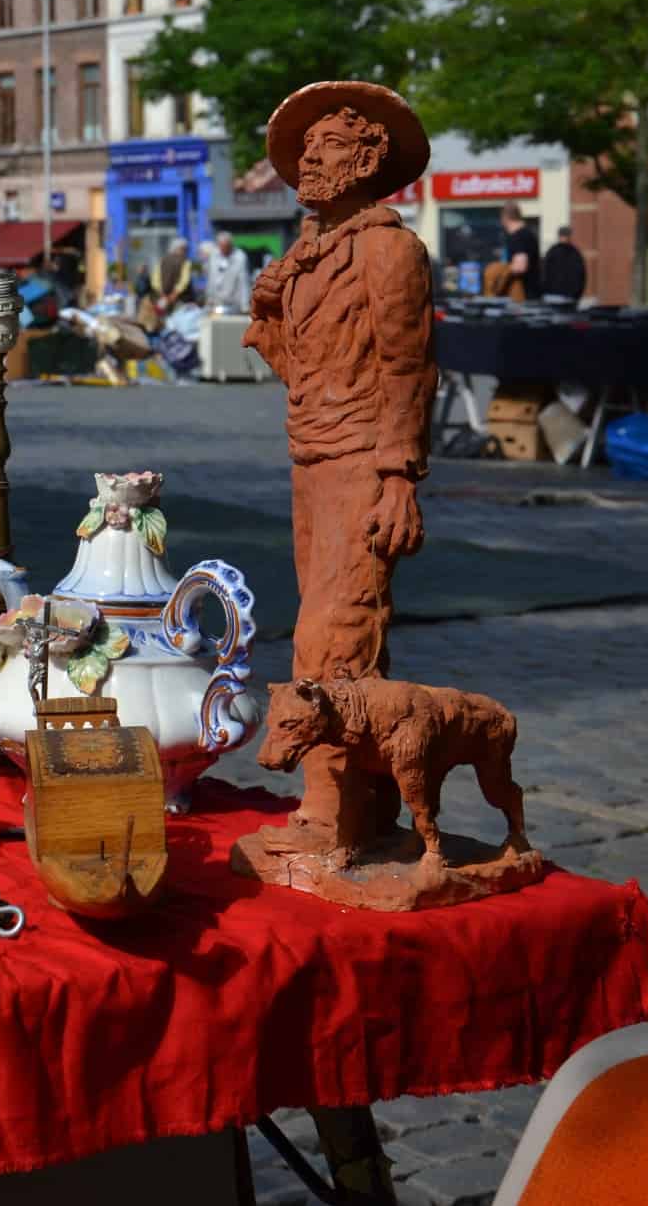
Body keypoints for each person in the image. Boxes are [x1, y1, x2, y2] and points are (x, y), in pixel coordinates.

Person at [243, 80, 434, 856]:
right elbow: (302, 373)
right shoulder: (306, 259)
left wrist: (399, 479)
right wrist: (268, 317)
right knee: (333, 626)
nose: (309, 159)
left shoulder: (389, 249)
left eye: (328, 146)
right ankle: (370, 795)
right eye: (306, 148)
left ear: (367, 159)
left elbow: (409, 367)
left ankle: (331, 811)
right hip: (312, 459)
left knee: (334, 632)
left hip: (362, 460)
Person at [500, 205, 540, 301]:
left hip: (522, 297)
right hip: (530, 293)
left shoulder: (519, 237)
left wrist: (501, 273)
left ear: (505, 218)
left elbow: (520, 266)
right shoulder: (528, 234)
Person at [205, 231, 250, 313]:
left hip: (233, 302)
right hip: (216, 301)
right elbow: (211, 278)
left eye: (226, 247)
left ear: (230, 245)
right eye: (221, 246)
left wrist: (245, 305)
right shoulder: (214, 255)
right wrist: (209, 297)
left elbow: (243, 282)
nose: (223, 249)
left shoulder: (240, 257)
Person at [541, 226, 586, 303]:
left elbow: (544, 272)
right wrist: (577, 293)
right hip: (570, 296)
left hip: (551, 294)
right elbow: (581, 275)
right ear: (570, 236)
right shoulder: (575, 253)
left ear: (558, 236)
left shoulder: (552, 251)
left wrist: (543, 290)